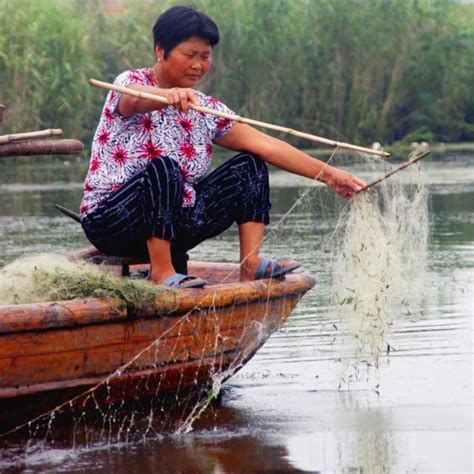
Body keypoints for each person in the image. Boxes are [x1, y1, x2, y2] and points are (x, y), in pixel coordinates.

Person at [80, 5, 366, 288]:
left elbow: (267, 145)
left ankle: (251, 264)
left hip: (178, 223)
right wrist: (167, 95)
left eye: (205, 56)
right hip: (113, 221)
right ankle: (161, 272)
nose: (198, 64)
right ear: (160, 51)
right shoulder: (129, 84)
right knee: (165, 168)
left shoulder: (205, 108)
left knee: (250, 165)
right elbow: (134, 101)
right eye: (190, 55)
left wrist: (330, 175)